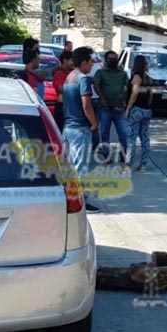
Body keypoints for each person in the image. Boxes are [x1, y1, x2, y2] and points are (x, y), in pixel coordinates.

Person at [62, 47, 101, 213]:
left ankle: (69, 198)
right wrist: (94, 123)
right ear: (84, 62)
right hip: (80, 128)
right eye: (91, 62)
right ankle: (80, 201)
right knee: (80, 168)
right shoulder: (83, 79)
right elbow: (86, 104)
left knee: (69, 167)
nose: (92, 65)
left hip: (68, 128)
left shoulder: (68, 77)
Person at [94, 50, 132, 164]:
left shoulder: (122, 73)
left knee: (123, 132)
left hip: (119, 108)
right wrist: (102, 98)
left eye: (115, 58)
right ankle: (106, 154)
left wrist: (124, 95)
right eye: (111, 59)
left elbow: (129, 85)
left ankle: (123, 154)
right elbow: (96, 84)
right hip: (105, 107)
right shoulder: (101, 72)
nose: (113, 61)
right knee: (104, 132)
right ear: (106, 60)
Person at [123, 54, 155, 171]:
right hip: (147, 110)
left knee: (132, 138)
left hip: (136, 109)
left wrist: (128, 109)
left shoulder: (137, 77)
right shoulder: (149, 79)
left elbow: (134, 94)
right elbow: (151, 96)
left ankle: (128, 164)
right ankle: (143, 164)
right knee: (145, 137)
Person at [53, 51, 74, 127]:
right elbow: (60, 88)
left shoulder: (72, 72)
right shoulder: (60, 72)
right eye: (72, 60)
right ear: (65, 60)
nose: (74, 63)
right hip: (63, 105)